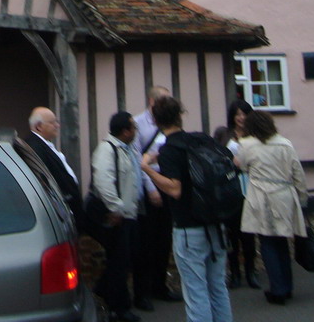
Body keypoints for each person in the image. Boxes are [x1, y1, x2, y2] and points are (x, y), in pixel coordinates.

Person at [141, 95, 234, 322]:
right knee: (217, 287)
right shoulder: (200, 141)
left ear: (155, 120)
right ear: (180, 115)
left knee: (196, 292)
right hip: (214, 222)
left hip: (188, 228)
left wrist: (147, 168)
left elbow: (174, 189)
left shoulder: (170, 150)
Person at [238, 111, 308, 306]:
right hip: (284, 194)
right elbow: (298, 174)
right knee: (282, 242)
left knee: (267, 242)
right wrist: (302, 198)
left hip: (261, 194)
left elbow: (242, 167)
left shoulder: (247, 145)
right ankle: (287, 286)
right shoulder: (285, 144)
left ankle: (277, 289)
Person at [91, 112, 144, 322]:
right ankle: (118, 309)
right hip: (118, 216)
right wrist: (117, 208)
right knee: (119, 262)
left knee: (123, 260)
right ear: (125, 131)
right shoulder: (107, 149)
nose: (136, 132)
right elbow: (103, 181)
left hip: (129, 215)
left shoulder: (126, 150)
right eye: (133, 128)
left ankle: (105, 290)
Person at [134, 86, 180, 307]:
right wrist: (150, 188)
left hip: (169, 184)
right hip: (149, 185)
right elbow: (137, 161)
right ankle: (143, 292)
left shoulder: (172, 124)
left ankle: (160, 285)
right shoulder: (138, 124)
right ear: (151, 101)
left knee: (164, 240)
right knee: (146, 242)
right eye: (163, 99)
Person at [212, 99, 259, 289]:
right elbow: (214, 156)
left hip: (250, 187)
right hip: (229, 188)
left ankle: (251, 271)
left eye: (244, 114)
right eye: (238, 114)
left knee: (248, 233)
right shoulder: (224, 133)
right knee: (231, 234)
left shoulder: (255, 135)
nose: (241, 118)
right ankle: (235, 273)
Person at [26, 106, 84, 230]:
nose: (57, 125)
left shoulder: (43, 144)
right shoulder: (35, 147)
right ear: (39, 126)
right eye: (53, 122)